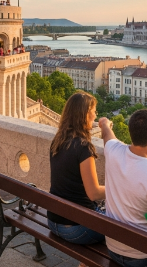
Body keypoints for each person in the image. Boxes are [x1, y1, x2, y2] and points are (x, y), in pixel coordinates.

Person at [97, 109, 147, 267]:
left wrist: (104, 122)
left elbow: (107, 133)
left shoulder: (113, 151)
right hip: (142, 258)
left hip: (112, 248)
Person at [48, 92, 106, 245]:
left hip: (53, 222)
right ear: (85, 114)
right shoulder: (83, 148)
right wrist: (118, 188)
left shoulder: (57, 142)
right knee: (123, 225)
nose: (95, 115)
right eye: (94, 111)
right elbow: (94, 193)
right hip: (76, 228)